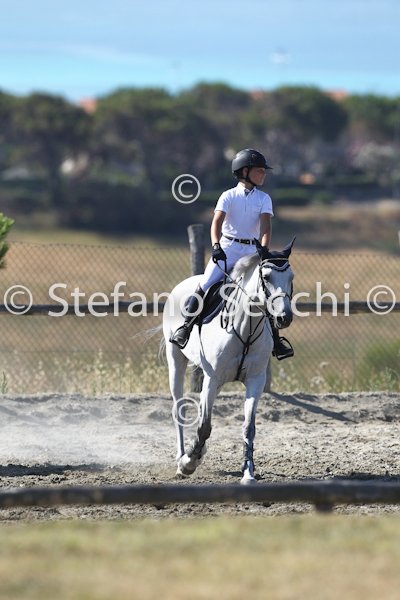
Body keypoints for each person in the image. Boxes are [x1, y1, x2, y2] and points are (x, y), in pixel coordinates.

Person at [170, 148, 294, 359]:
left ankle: (275, 340)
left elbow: (265, 228)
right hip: (229, 248)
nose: (263, 174)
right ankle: (186, 327)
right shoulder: (228, 196)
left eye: (264, 171)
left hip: (252, 251)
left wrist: (264, 251)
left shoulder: (264, 199)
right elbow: (216, 223)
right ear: (245, 171)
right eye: (259, 170)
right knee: (205, 284)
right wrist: (216, 246)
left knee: (263, 291)